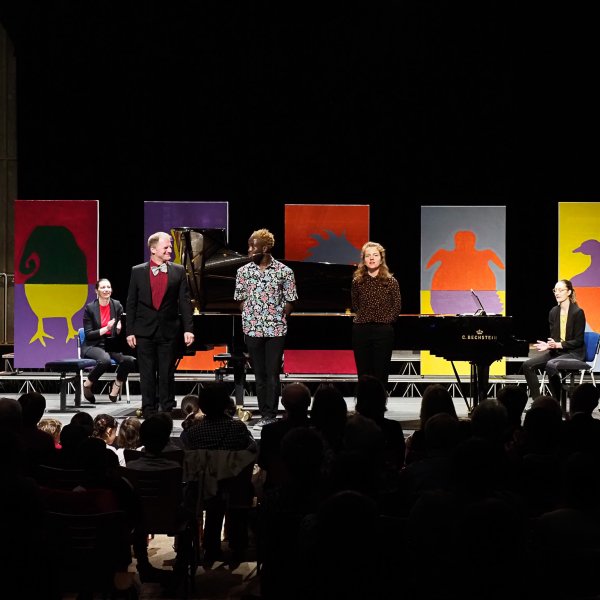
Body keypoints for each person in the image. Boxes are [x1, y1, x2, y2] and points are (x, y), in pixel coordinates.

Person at [126, 231, 195, 418]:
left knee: (166, 373)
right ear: (153, 249)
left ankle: (166, 410)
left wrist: (189, 329)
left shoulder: (178, 271)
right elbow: (131, 303)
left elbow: (185, 302)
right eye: (166, 247)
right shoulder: (138, 271)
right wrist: (129, 331)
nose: (170, 250)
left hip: (168, 331)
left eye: (170, 246)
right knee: (147, 374)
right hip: (144, 331)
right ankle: (148, 410)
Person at [234, 228, 298, 429]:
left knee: (272, 373)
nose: (249, 249)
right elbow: (240, 299)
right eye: (249, 245)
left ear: (266, 247)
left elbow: (290, 300)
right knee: (259, 374)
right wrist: (252, 316)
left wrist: (277, 317)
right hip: (252, 330)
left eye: (253, 245)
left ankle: (271, 414)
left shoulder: (284, 271)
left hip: (275, 331)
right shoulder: (243, 272)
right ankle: (263, 413)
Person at [522, 279, 586, 401]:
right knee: (527, 365)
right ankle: (538, 402)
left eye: (560, 290)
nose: (557, 293)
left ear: (569, 292)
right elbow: (555, 339)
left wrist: (558, 345)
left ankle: (557, 402)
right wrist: (549, 345)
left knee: (551, 365)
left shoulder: (577, 312)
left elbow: (578, 341)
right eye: (555, 290)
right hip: (557, 352)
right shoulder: (553, 312)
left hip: (574, 353)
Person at [351, 241, 401, 387]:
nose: (371, 258)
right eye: (368, 256)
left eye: (375, 255)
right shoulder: (357, 281)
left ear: (381, 258)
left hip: (383, 331)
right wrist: (365, 316)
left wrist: (386, 321)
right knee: (363, 371)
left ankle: (379, 404)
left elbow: (397, 305)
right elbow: (355, 304)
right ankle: (363, 404)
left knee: (381, 370)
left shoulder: (391, 281)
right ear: (364, 259)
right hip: (361, 329)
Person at [81, 278, 136, 404]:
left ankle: (116, 386)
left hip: (111, 344)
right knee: (104, 360)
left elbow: (122, 324)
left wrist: (120, 328)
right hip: (93, 344)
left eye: (108, 287)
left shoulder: (117, 305)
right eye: (103, 287)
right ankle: (87, 385)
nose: (106, 290)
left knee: (130, 360)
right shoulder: (90, 308)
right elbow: (89, 334)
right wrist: (106, 328)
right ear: (97, 290)